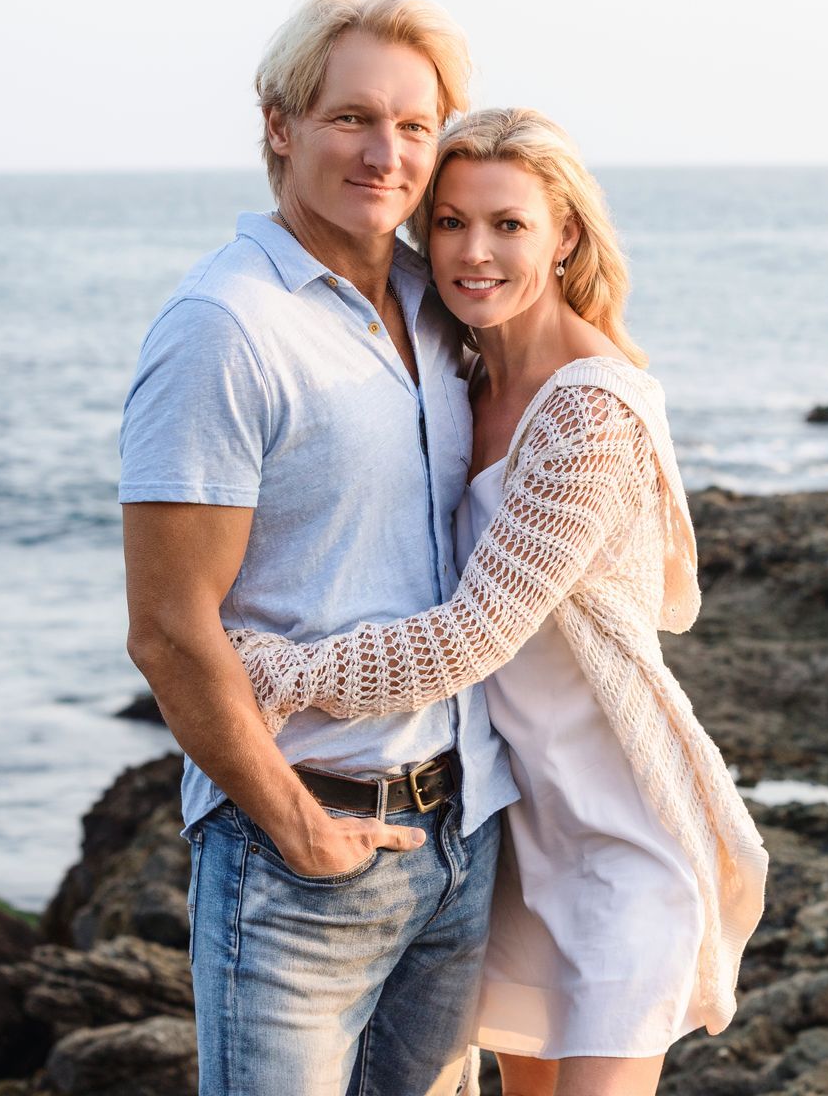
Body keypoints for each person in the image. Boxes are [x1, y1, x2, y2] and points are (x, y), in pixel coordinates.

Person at [227, 108, 770, 1096]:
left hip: (615, 841)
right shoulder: (456, 377)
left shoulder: (590, 408)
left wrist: (276, 672)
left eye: (509, 225)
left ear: (565, 235)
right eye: (449, 222)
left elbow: (473, 633)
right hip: (502, 835)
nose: (474, 252)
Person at [118, 0, 521, 1096]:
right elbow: (165, 625)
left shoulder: (440, 301)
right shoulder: (224, 327)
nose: (385, 151)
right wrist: (294, 824)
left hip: (459, 839)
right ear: (279, 125)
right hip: (299, 860)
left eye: (413, 124)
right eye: (352, 117)